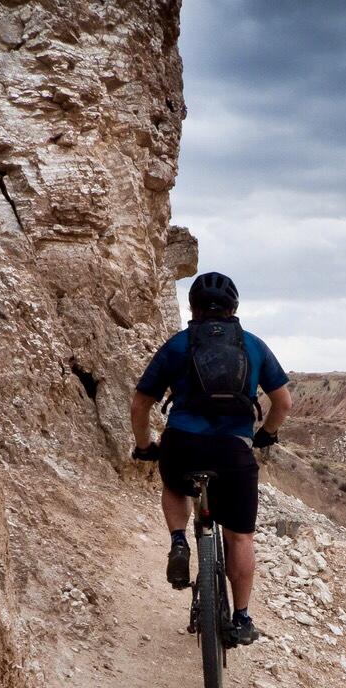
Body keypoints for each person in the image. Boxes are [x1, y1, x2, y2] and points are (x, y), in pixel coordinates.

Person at [130, 271, 292, 646]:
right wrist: (264, 434)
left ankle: (179, 541)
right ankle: (241, 618)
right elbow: (283, 403)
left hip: (182, 443)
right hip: (233, 451)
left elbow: (141, 404)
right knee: (240, 537)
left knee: (174, 484)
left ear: (193, 308)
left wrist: (144, 446)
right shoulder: (252, 345)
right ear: (234, 308)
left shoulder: (178, 345)